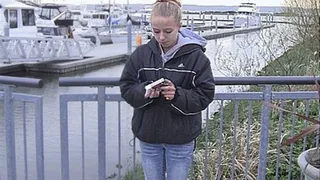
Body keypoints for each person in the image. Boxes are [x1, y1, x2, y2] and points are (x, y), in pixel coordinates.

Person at [119, 0, 215, 179]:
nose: (161, 37)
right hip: (149, 136)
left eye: (167, 31)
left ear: (179, 25)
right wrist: (144, 92)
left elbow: (205, 94)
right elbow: (127, 87)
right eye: (156, 31)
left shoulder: (197, 58)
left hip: (181, 138)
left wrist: (177, 95)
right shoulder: (141, 55)